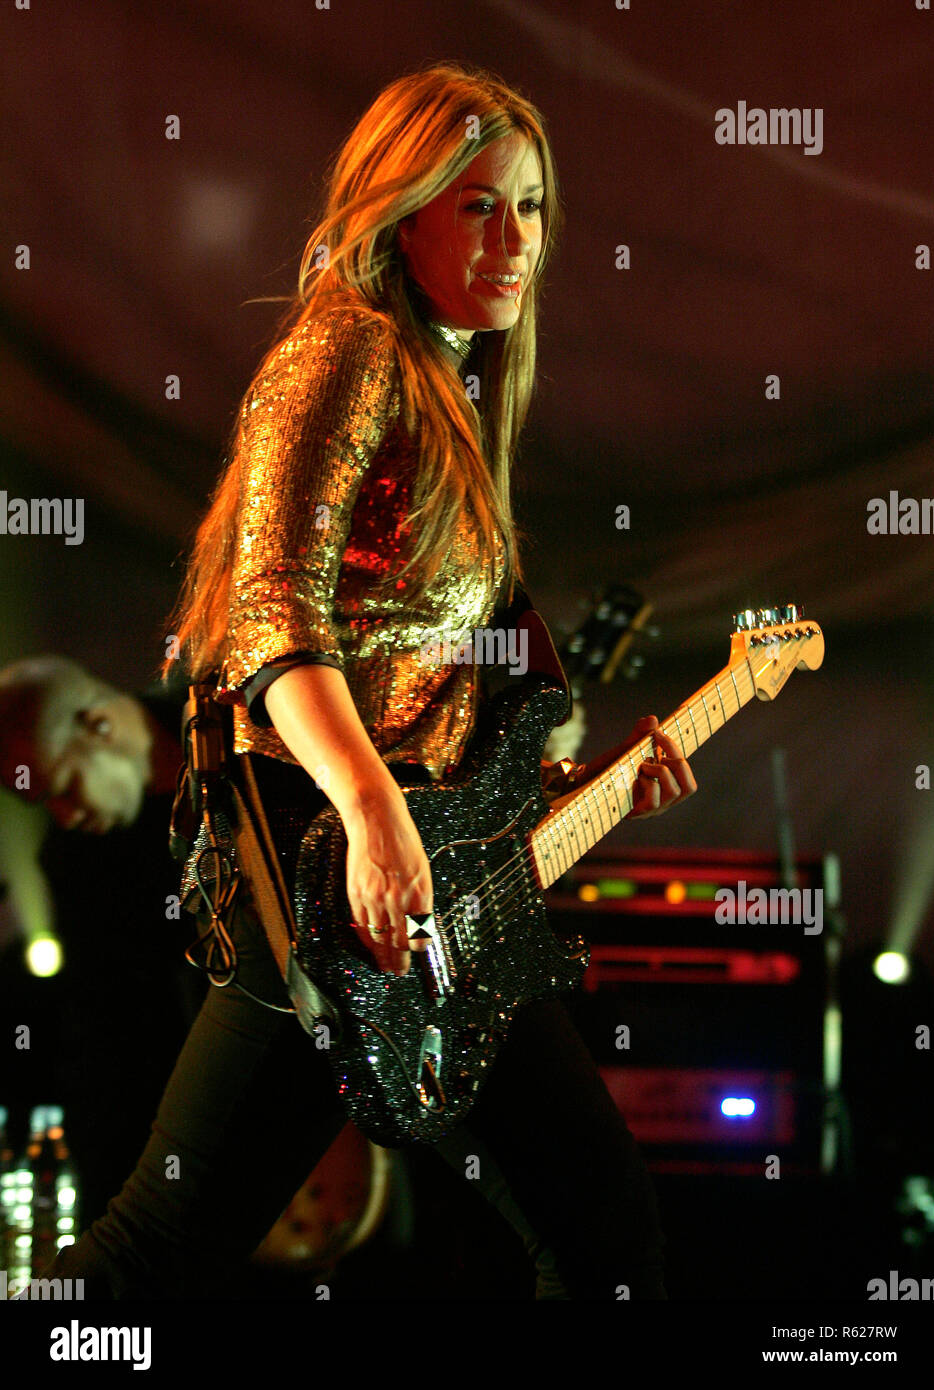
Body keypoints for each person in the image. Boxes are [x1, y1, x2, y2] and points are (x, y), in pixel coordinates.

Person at [33, 61, 696, 1301]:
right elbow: (271, 614)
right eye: (477, 206)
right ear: (400, 210)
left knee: (601, 1232)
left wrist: (579, 781)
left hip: (415, 887)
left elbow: (435, 703)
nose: (515, 241)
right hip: (333, 878)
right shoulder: (342, 351)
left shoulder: (447, 382)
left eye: (534, 208)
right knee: (154, 1255)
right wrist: (373, 816)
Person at [0, 657, 206, 1226]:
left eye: (64, 787)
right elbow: (106, 1046)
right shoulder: (72, 863)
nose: (65, 818)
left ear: (99, 726)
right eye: (43, 803)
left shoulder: (245, 721)